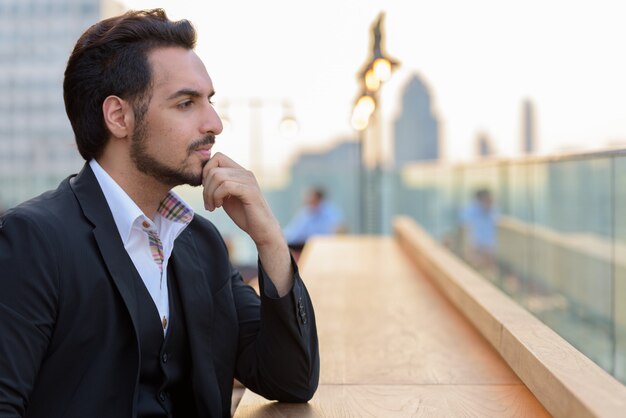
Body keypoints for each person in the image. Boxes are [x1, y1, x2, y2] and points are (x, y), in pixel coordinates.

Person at [0, 9, 318, 418]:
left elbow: (290, 379)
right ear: (119, 117)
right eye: (186, 103)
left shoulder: (200, 243)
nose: (214, 123)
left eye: (210, 101)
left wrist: (270, 239)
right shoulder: (33, 240)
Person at [283, 187, 343, 257]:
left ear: (318, 199)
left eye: (311, 197)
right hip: (305, 248)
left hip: (326, 249)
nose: (308, 200)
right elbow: (294, 232)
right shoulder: (306, 213)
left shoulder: (331, 212)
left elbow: (339, 230)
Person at [459, 188, 499, 276]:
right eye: (488, 199)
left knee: (488, 273)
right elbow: (465, 226)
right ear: (481, 200)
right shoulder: (472, 211)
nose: (491, 202)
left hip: (488, 248)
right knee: (476, 271)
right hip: (476, 247)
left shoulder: (492, 211)